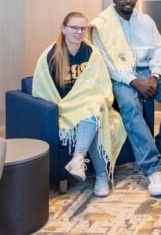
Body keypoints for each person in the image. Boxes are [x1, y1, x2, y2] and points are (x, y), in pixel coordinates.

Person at [91, 0, 161, 198]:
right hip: (121, 77)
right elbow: (106, 62)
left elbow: (159, 48)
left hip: (149, 72)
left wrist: (155, 77)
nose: (128, 1)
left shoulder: (145, 21)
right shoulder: (103, 25)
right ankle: (152, 168)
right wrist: (134, 81)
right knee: (130, 104)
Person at [32, 12, 127, 197]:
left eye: (83, 28)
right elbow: (42, 87)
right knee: (95, 118)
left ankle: (79, 158)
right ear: (64, 29)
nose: (79, 32)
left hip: (89, 104)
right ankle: (101, 176)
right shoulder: (50, 55)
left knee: (95, 107)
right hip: (65, 107)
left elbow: (101, 86)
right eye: (74, 27)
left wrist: (90, 100)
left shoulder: (92, 53)